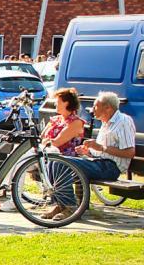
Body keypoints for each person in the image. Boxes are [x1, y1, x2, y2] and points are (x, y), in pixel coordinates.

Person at [55, 91, 137, 219]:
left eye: (95, 106)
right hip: (100, 162)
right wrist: (88, 151)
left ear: (108, 107)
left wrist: (100, 147)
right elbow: (101, 150)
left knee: (62, 163)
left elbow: (130, 152)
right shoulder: (105, 122)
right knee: (56, 161)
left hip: (111, 167)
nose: (92, 109)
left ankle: (69, 207)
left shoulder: (123, 121)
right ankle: (61, 205)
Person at [40, 88, 85, 157]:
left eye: (58, 102)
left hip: (64, 160)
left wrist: (45, 142)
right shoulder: (55, 119)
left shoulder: (76, 123)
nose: (55, 104)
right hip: (47, 155)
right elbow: (42, 137)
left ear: (66, 103)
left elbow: (55, 143)